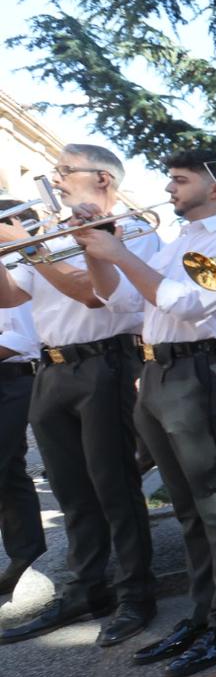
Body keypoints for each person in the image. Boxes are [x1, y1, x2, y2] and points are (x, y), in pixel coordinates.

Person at [76, 151, 216, 677]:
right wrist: (97, 251)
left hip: (201, 370)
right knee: (186, 505)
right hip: (158, 374)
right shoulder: (179, 241)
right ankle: (204, 614)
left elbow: (185, 304)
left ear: (215, 187)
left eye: (180, 180)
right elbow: (121, 304)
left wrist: (121, 252)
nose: (170, 187)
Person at [0, 145, 159, 647]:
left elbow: (92, 294)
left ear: (104, 181)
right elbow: (12, 296)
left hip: (106, 360)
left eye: (65, 171)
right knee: (70, 491)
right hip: (53, 367)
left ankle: (136, 593)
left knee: (114, 485)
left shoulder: (132, 229)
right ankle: (86, 589)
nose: (56, 179)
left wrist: (31, 248)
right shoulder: (48, 230)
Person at [0, 264, 41, 599]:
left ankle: (26, 556)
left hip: (14, 378)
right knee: (10, 471)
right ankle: (26, 554)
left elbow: (21, 339)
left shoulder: (16, 268)